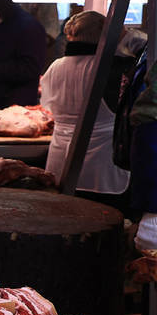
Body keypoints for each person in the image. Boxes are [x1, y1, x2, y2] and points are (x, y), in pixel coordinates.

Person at [40, 11, 130, 209]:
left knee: (66, 217)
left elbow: (46, 106)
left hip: (60, 160)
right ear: (106, 35)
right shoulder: (112, 67)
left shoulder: (55, 66)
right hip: (103, 164)